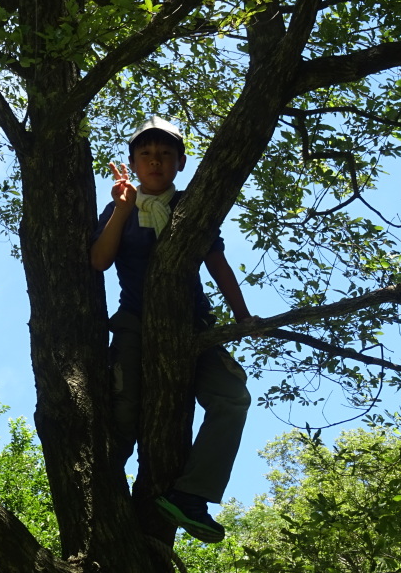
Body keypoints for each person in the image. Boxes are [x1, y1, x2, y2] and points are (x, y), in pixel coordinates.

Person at [90, 116, 255, 543]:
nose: (155, 161)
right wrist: (123, 207)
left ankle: (191, 496)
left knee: (232, 397)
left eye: (165, 154)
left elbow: (217, 263)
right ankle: (101, 505)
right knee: (123, 416)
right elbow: (99, 261)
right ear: (133, 162)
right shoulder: (119, 206)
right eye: (145, 154)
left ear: (181, 163)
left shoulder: (192, 206)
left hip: (193, 328)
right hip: (134, 327)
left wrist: (242, 316)